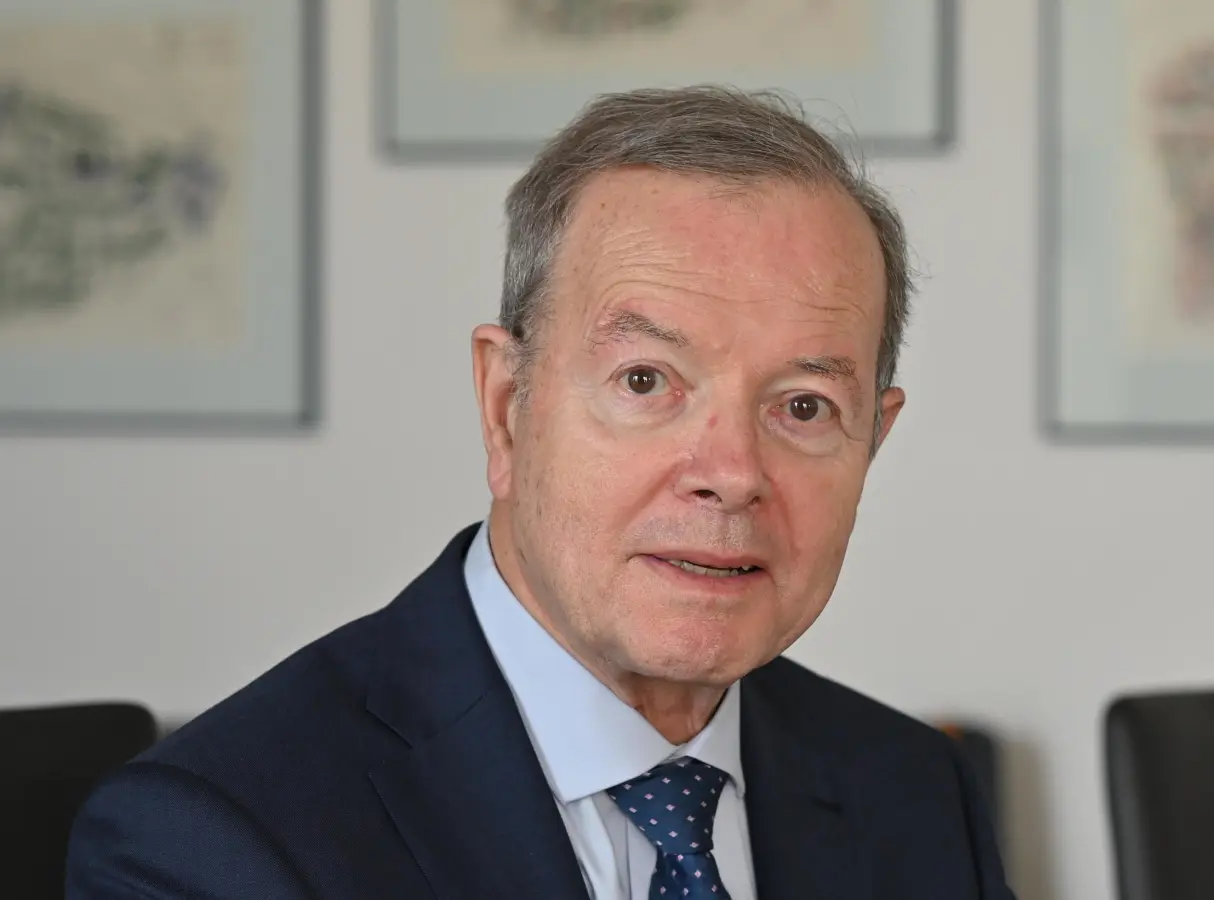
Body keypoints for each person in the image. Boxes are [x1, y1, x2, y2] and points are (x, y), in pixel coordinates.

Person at [65, 86, 1015, 900]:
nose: (730, 471)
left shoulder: (916, 792)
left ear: (873, 441)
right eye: (646, 381)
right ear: (507, 404)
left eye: (803, 405)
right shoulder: (214, 841)